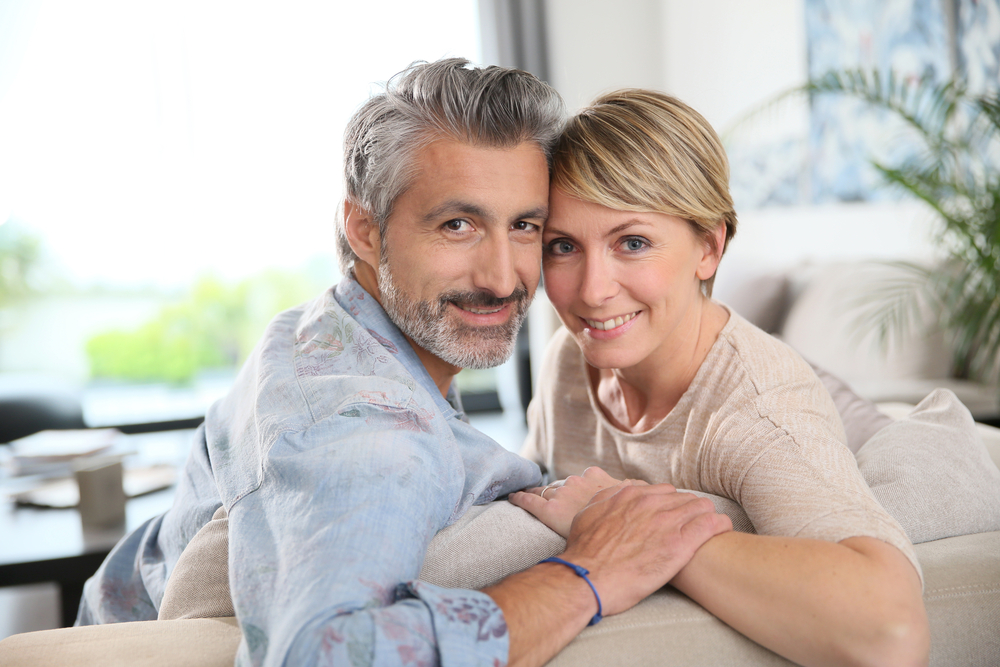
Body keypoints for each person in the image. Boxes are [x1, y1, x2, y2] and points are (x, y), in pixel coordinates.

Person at [75, 61, 732, 667]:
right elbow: (318, 655)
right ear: (364, 229)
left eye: (526, 226)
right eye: (457, 225)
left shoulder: (330, 331)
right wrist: (584, 573)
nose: (503, 277)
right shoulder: (362, 425)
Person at [512, 90, 930, 667]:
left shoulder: (757, 410)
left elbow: (891, 630)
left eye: (632, 243)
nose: (590, 290)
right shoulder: (568, 359)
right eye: (563, 247)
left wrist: (627, 525)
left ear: (709, 247)